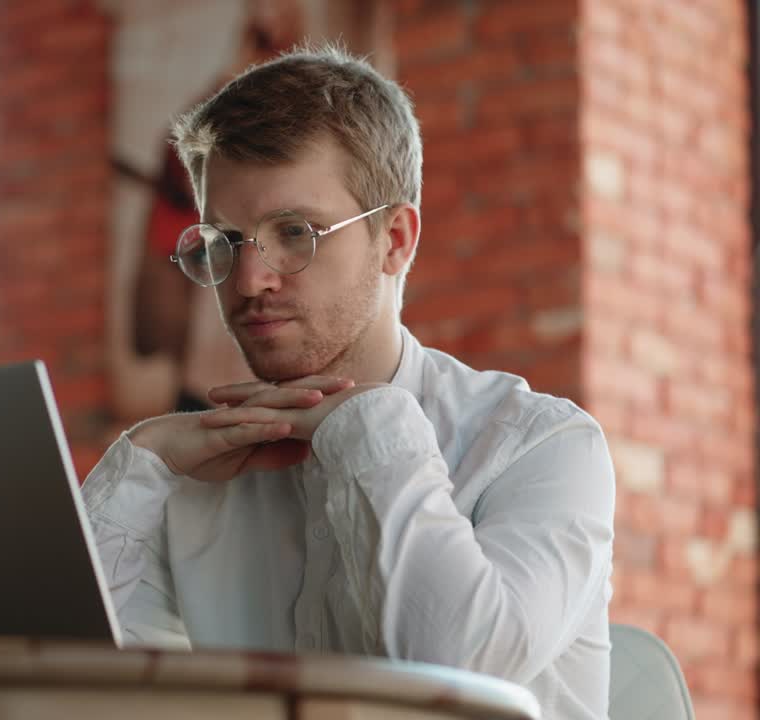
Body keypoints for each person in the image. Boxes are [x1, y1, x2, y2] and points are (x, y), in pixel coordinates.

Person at [82, 44, 615, 720]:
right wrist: (142, 459)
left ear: (395, 240)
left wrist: (364, 427)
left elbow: (459, 675)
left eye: (295, 231)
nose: (249, 281)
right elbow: (66, 692)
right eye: (226, 240)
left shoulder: (543, 447)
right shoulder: (193, 475)